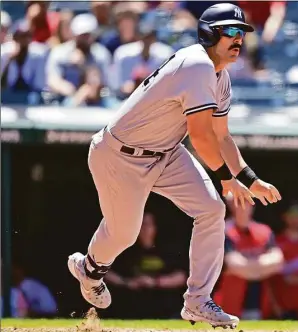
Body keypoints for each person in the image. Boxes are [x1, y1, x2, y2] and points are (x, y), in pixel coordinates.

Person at [66, 3, 281, 329]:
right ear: (210, 33)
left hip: (164, 152)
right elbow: (201, 137)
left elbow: (222, 137)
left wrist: (249, 178)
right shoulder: (197, 64)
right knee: (124, 234)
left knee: (211, 209)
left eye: (242, 34)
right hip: (121, 155)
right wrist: (226, 178)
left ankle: (197, 302)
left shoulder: (220, 76)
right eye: (232, 32)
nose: (239, 40)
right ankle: (90, 269)